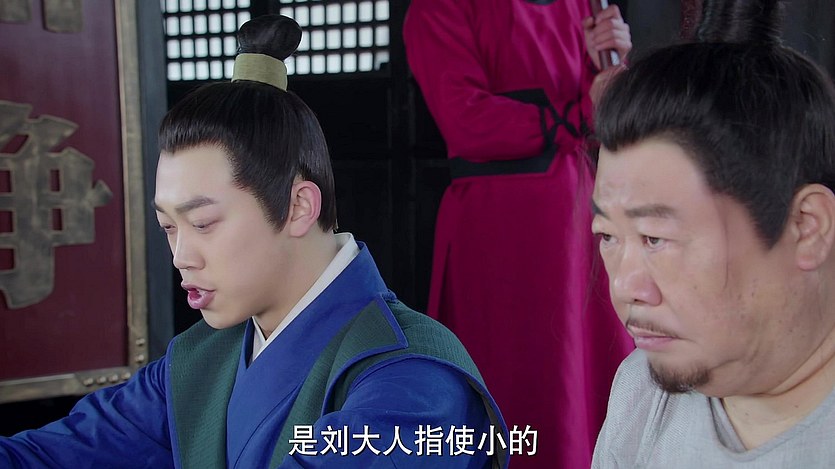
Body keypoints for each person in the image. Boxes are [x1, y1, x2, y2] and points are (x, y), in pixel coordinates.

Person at [0, 15, 508, 468]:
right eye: (169, 227)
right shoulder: (200, 360)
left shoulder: (411, 382)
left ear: (298, 206)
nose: (181, 257)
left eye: (203, 223)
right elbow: (47, 454)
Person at [590, 0, 835, 466]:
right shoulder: (641, 389)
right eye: (608, 237)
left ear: (807, 227)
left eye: (655, 238)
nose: (625, 288)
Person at [403, 1, 634, 467]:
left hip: (579, 215)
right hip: (502, 230)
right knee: (514, 379)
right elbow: (466, 120)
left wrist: (609, 66)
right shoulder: (437, 7)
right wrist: (580, 112)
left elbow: (601, 115)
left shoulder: (580, 5)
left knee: (586, 383)